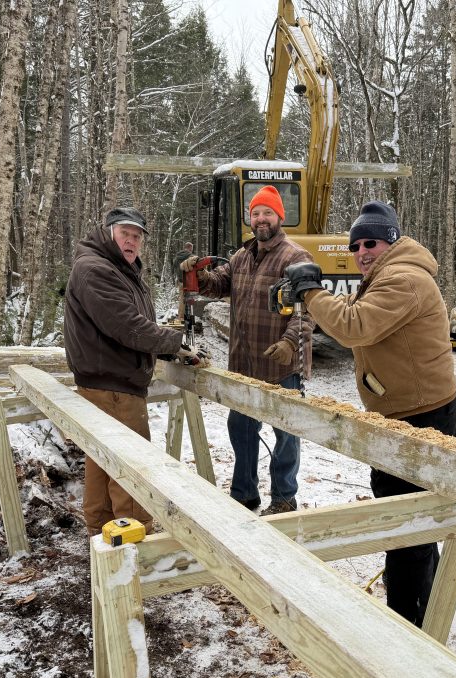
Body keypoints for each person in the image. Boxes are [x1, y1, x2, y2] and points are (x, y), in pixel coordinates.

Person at [281, 201, 456, 628]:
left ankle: (405, 624)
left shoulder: (404, 280)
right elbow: (349, 316)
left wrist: (310, 292)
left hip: (419, 418)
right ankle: (426, 604)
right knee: (413, 517)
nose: (361, 252)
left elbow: (353, 326)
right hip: (402, 412)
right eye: (356, 245)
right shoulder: (384, 277)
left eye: (371, 243)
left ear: (391, 242)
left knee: (404, 523)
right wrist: (308, 305)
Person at [64, 206, 207, 537]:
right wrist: (175, 342)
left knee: (103, 461)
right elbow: (127, 326)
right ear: (109, 233)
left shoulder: (116, 269)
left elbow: (129, 325)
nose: (131, 241)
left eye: (137, 237)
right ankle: (134, 542)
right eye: (125, 234)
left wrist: (167, 346)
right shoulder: (96, 269)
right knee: (131, 467)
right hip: (115, 387)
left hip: (106, 382)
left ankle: (101, 534)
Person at [178, 185, 314, 516]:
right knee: (241, 428)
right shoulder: (241, 257)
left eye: (268, 212)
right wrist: (197, 274)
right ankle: (244, 494)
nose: (261, 218)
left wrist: (290, 342)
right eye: (255, 213)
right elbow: (216, 285)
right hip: (243, 364)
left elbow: (307, 310)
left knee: (286, 433)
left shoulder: (295, 258)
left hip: (281, 366)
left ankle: (284, 498)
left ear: (280, 217)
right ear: (249, 219)